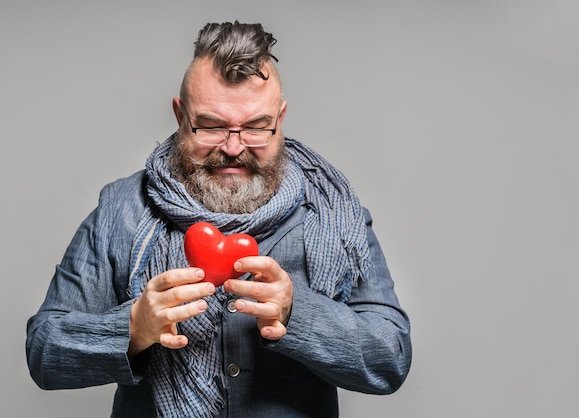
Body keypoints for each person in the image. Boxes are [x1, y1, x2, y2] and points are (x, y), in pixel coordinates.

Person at [26, 21, 412, 417]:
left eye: (256, 127)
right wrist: (132, 329)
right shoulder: (121, 209)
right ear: (180, 116)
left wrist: (298, 313)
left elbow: (391, 357)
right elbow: (43, 352)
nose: (232, 147)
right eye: (211, 125)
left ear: (280, 118)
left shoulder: (334, 211)